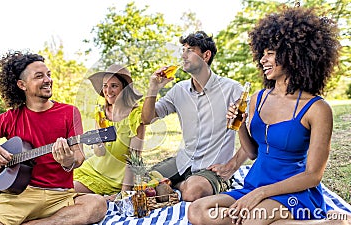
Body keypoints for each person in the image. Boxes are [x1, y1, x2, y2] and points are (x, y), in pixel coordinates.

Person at [188, 6, 349, 225]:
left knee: (253, 219)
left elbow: (313, 175)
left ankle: (328, 221)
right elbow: (253, 152)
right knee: (198, 211)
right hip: (256, 183)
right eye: (262, 54)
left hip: (294, 191)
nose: (263, 60)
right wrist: (240, 126)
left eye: (270, 53)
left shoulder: (317, 108)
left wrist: (262, 193)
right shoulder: (258, 98)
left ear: (293, 54)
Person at [0, 51, 107, 225]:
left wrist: (68, 161)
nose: (48, 80)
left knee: (97, 204)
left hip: (61, 196)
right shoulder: (10, 117)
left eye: (48, 74)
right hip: (20, 196)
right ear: (22, 84)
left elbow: (78, 157)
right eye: (39, 76)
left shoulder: (69, 112)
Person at [142, 31, 250, 202]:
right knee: (141, 180)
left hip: (213, 168)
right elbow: (147, 118)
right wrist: (153, 89)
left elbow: (254, 135)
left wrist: (232, 166)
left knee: (193, 192)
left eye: (190, 50)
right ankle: (178, 183)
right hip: (185, 162)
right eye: (183, 50)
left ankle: (176, 184)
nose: (183, 55)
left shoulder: (232, 89)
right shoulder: (179, 90)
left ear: (206, 55)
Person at [73, 64, 145, 198]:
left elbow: (135, 159)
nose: (108, 90)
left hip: (120, 177)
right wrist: (99, 144)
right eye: (105, 85)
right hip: (95, 171)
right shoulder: (100, 113)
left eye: (114, 86)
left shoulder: (135, 116)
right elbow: (99, 153)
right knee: (68, 192)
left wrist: (125, 192)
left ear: (125, 89)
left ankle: (107, 197)